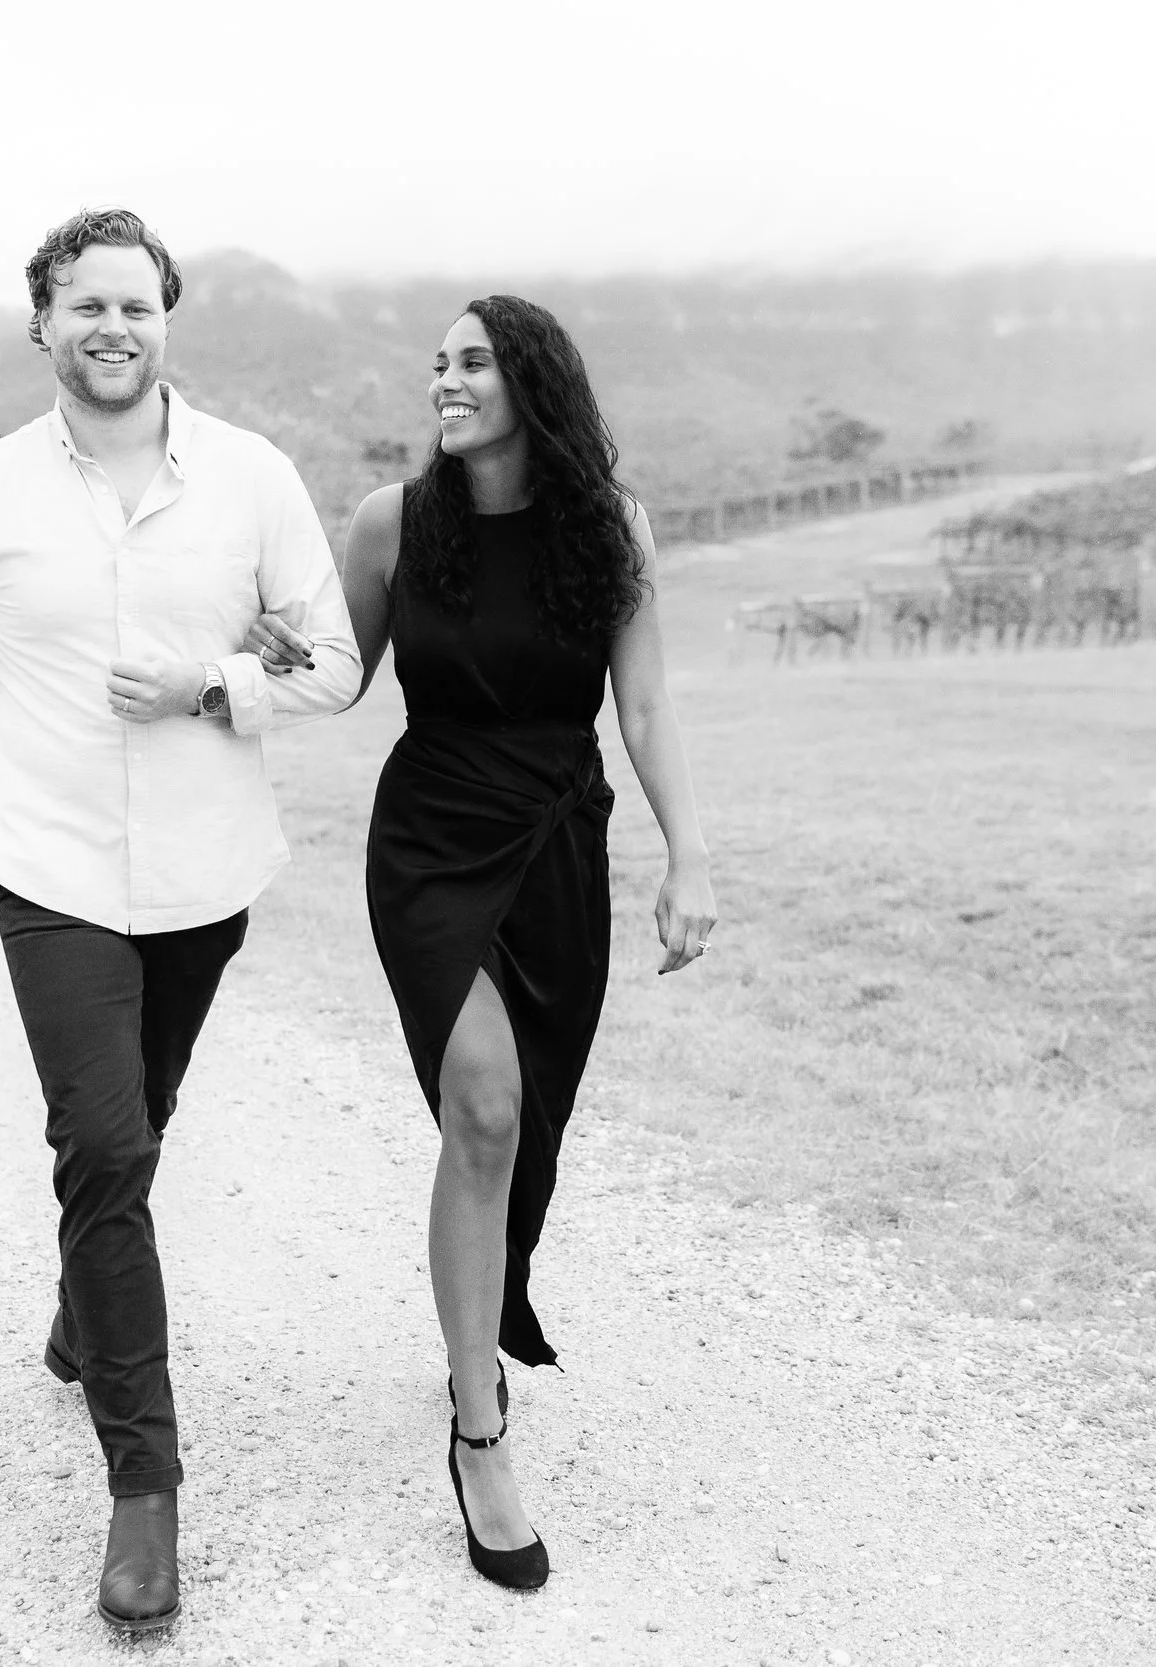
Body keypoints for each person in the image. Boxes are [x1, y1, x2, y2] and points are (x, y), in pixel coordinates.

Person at [0, 207, 359, 1634]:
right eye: (86, 304)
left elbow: (334, 664)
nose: (113, 327)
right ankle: (146, 1489)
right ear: (43, 322)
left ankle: (85, 1311)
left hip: (206, 876)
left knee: (134, 1126)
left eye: (136, 305)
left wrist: (213, 685)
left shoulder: (253, 479)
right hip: (52, 871)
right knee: (104, 1142)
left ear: (166, 320)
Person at [251, 295, 716, 1590]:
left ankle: (477, 1325)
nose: (444, 381)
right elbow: (338, 674)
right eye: (439, 364)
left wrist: (689, 856)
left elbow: (645, 705)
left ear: (534, 384)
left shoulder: (611, 527)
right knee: (487, 1106)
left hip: (559, 846)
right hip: (431, 844)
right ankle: (478, 1430)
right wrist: (267, 654)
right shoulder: (392, 523)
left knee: (525, 1126)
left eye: (472, 362)